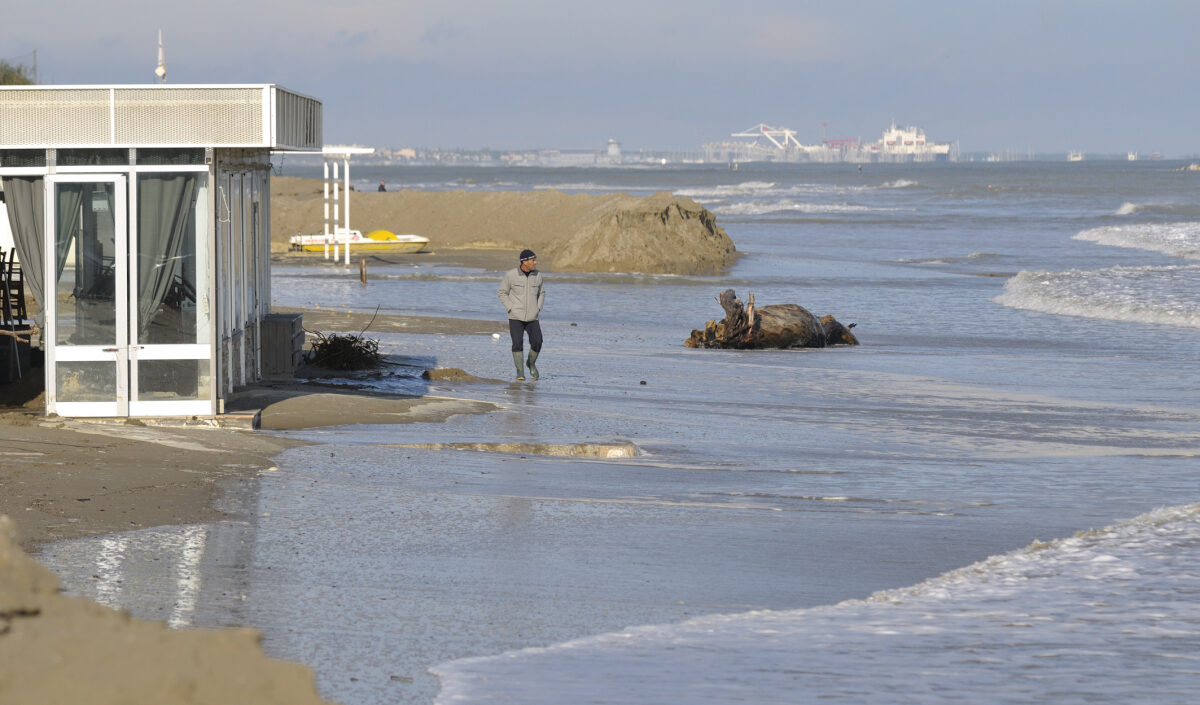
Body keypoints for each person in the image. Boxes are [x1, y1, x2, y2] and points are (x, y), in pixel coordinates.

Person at [497, 249, 545, 380]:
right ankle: (520, 372)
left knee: (537, 342)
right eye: (533, 260)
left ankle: (531, 363)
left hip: (532, 316)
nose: (536, 262)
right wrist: (510, 308)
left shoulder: (538, 275)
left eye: (535, 259)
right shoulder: (511, 275)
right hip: (515, 316)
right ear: (524, 261)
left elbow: (541, 292)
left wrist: (538, 308)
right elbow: (502, 292)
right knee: (517, 343)